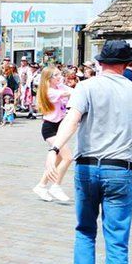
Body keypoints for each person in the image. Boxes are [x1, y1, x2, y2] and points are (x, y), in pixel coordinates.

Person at [44, 40, 132, 264]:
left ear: (101, 63)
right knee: (117, 243)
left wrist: (55, 150)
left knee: (85, 230)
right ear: (127, 64)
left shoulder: (86, 87)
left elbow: (72, 120)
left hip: (87, 167)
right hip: (119, 170)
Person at [33, 67, 73, 202]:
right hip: (50, 128)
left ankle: (41, 185)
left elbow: (68, 90)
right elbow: (69, 93)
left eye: (59, 74)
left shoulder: (58, 87)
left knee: (58, 159)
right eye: (56, 75)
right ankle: (56, 186)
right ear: (49, 78)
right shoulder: (49, 92)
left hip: (59, 127)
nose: (59, 77)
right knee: (68, 157)